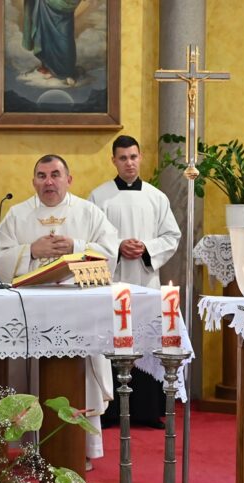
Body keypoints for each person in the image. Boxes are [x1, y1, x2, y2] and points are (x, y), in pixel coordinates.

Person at [0, 154, 120, 462]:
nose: (48, 181)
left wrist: (75, 246)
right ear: (33, 180)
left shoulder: (89, 213)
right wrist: (30, 251)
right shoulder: (17, 215)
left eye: (55, 175)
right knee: (30, 376)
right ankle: (31, 450)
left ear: (68, 179)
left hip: (77, 313)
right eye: (41, 175)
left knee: (79, 378)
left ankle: (79, 450)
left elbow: (110, 252)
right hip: (29, 314)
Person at [89, 135, 181, 430]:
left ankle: (148, 409)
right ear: (113, 161)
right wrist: (117, 248)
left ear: (140, 158)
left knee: (145, 341)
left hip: (146, 281)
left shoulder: (157, 197)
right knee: (112, 342)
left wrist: (147, 249)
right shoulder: (98, 197)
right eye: (122, 158)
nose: (129, 163)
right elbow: (91, 241)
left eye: (133, 157)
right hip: (111, 282)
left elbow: (171, 237)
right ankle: (110, 410)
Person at [22, 0, 82, 86]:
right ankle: (51, 69)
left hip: (64, 5)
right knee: (47, 36)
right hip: (45, 5)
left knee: (64, 40)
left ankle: (67, 72)